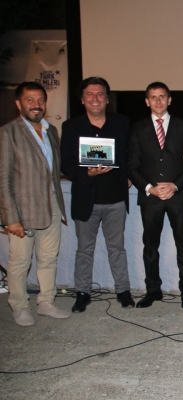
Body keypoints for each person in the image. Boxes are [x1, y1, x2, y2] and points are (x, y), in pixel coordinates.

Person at [61, 77, 135, 311]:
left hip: (115, 199)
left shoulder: (121, 122)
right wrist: (87, 173)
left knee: (117, 249)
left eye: (100, 94)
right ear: (82, 100)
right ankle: (83, 292)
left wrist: (130, 174)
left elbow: (132, 153)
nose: (95, 98)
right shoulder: (71, 127)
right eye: (90, 94)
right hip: (86, 199)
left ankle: (123, 291)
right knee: (84, 250)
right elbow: (66, 163)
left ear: (107, 98)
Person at [0, 82, 70, 326]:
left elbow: (53, 170)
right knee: (20, 261)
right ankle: (19, 306)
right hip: (23, 209)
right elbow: (3, 179)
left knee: (48, 258)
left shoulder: (51, 131)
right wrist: (10, 218)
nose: (36, 105)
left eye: (40, 100)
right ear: (18, 104)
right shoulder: (8, 133)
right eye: (30, 100)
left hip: (52, 205)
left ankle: (46, 303)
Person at [129, 82, 183, 309]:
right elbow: (132, 166)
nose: (158, 101)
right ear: (147, 101)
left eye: (162, 96)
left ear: (169, 99)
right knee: (150, 246)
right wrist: (149, 188)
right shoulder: (137, 128)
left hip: (179, 196)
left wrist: (175, 186)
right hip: (150, 197)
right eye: (153, 97)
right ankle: (152, 291)